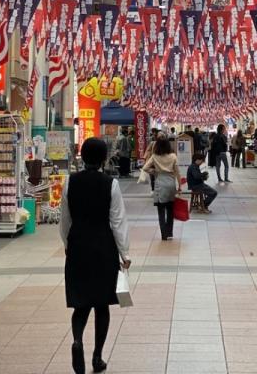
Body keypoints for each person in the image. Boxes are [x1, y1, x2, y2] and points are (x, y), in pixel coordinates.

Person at [60, 138, 131, 373]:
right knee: (102, 305)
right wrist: (125, 252)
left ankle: (77, 341)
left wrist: (67, 244)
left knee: (81, 304)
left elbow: (65, 219)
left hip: (78, 245)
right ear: (103, 158)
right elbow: (117, 220)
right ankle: (97, 357)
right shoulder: (111, 184)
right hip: (103, 247)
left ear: (82, 156)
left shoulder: (70, 182)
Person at [142, 136, 180, 240]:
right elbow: (177, 172)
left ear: (157, 146)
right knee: (170, 210)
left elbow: (145, 168)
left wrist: (154, 171)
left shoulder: (155, 156)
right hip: (171, 183)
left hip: (160, 184)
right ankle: (170, 232)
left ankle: (164, 234)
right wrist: (180, 186)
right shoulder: (173, 156)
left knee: (161, 210)